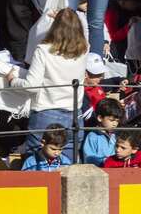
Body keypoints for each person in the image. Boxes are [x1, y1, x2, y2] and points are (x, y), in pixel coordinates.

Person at [6, 9, 89, 160]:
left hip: (45, 114)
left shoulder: (43, 50)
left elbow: (31, 85)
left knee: (37, 169)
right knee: (67, 171)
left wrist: (13, 80)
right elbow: (84, 28)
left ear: (55, 27)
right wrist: (69, 17)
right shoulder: (84, 49)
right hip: (74, 115)